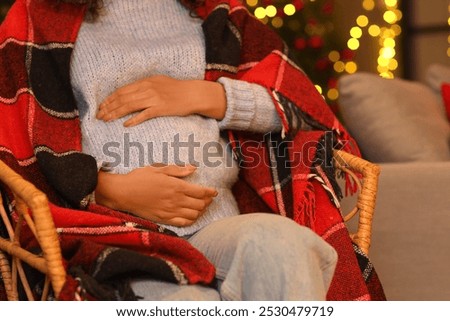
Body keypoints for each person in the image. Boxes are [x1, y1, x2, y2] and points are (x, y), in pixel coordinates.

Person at [0, 0, 385, 301]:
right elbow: (18, 140)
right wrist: (108, 190)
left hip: (217, 224)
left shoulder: (217, 12)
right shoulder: (38, 16)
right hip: (115, 232)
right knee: (185, 299)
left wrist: (203, 95)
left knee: (284, 246)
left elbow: (300, 109)